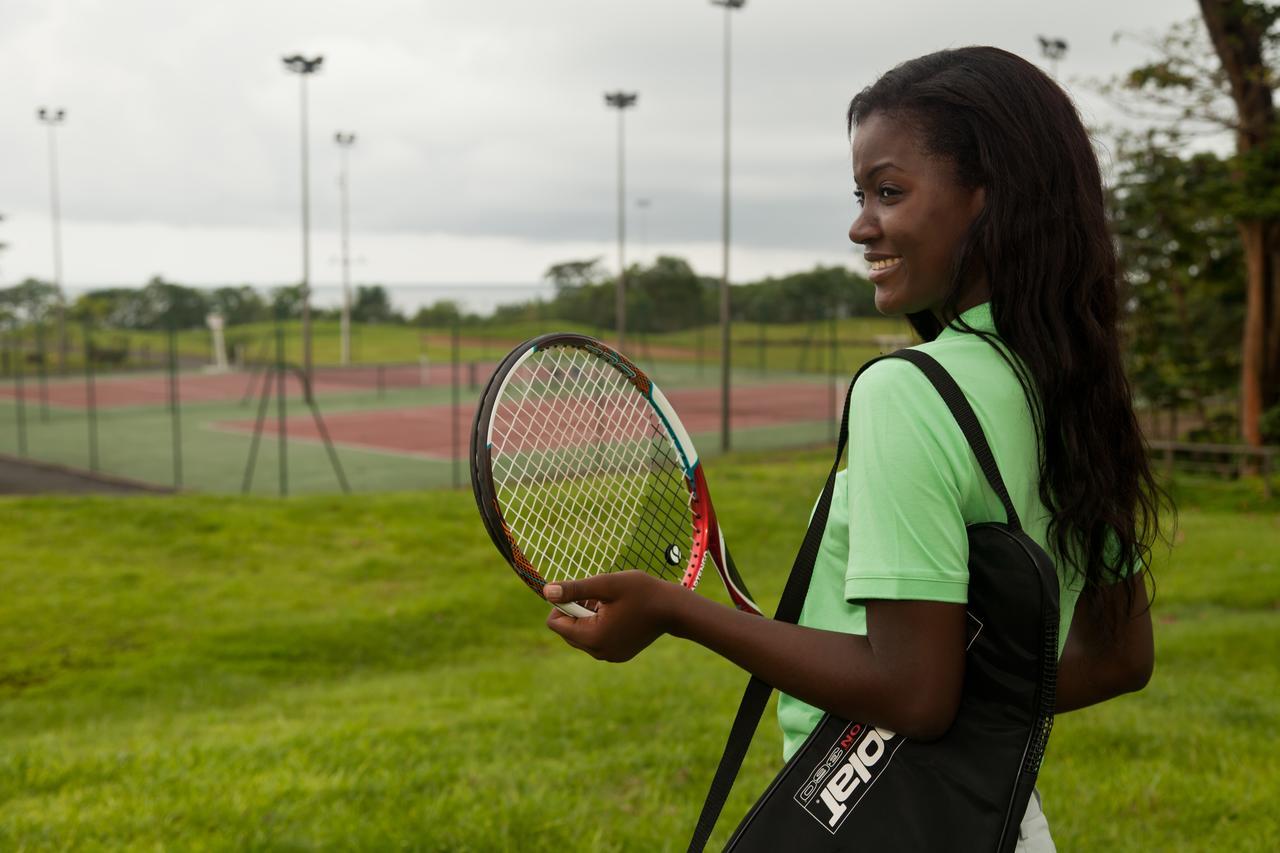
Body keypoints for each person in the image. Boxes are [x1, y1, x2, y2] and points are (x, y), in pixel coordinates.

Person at [542, 46, 1163, 850]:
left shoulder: (907, 391)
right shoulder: (1071, 380)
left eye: (889, 191)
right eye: (860, 193)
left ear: (988, 198)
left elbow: (912, 693)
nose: (860, 224)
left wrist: (675, 610)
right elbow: (1120, 657)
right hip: (1002, 820)